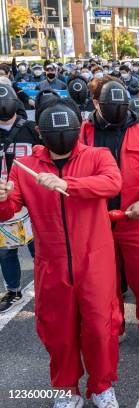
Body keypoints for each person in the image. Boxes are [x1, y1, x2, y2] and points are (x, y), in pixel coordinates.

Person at [0, 101, 123, 408]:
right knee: (58, 330)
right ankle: (67, 389)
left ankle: (102, 386)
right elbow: (9, 209)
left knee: (99, 327)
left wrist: (68, 183)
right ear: (41, 133)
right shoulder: (26, 166)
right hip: (51, 262)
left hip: (95, 260)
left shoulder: (98, 156)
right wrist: (2, 197)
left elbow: (112, 183)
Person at [80, 76, 139, 346]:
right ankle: (113, 324)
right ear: (96, 103)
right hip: (96, 220)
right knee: (105, 279)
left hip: (134, 218)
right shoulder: (83, 133)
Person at [0, 84, 39, 314]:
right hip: (4, 198)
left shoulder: (33, 129)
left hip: (34, 197)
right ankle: (13, 290)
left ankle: (50, 286)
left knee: (40, 246)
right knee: (6, 249)